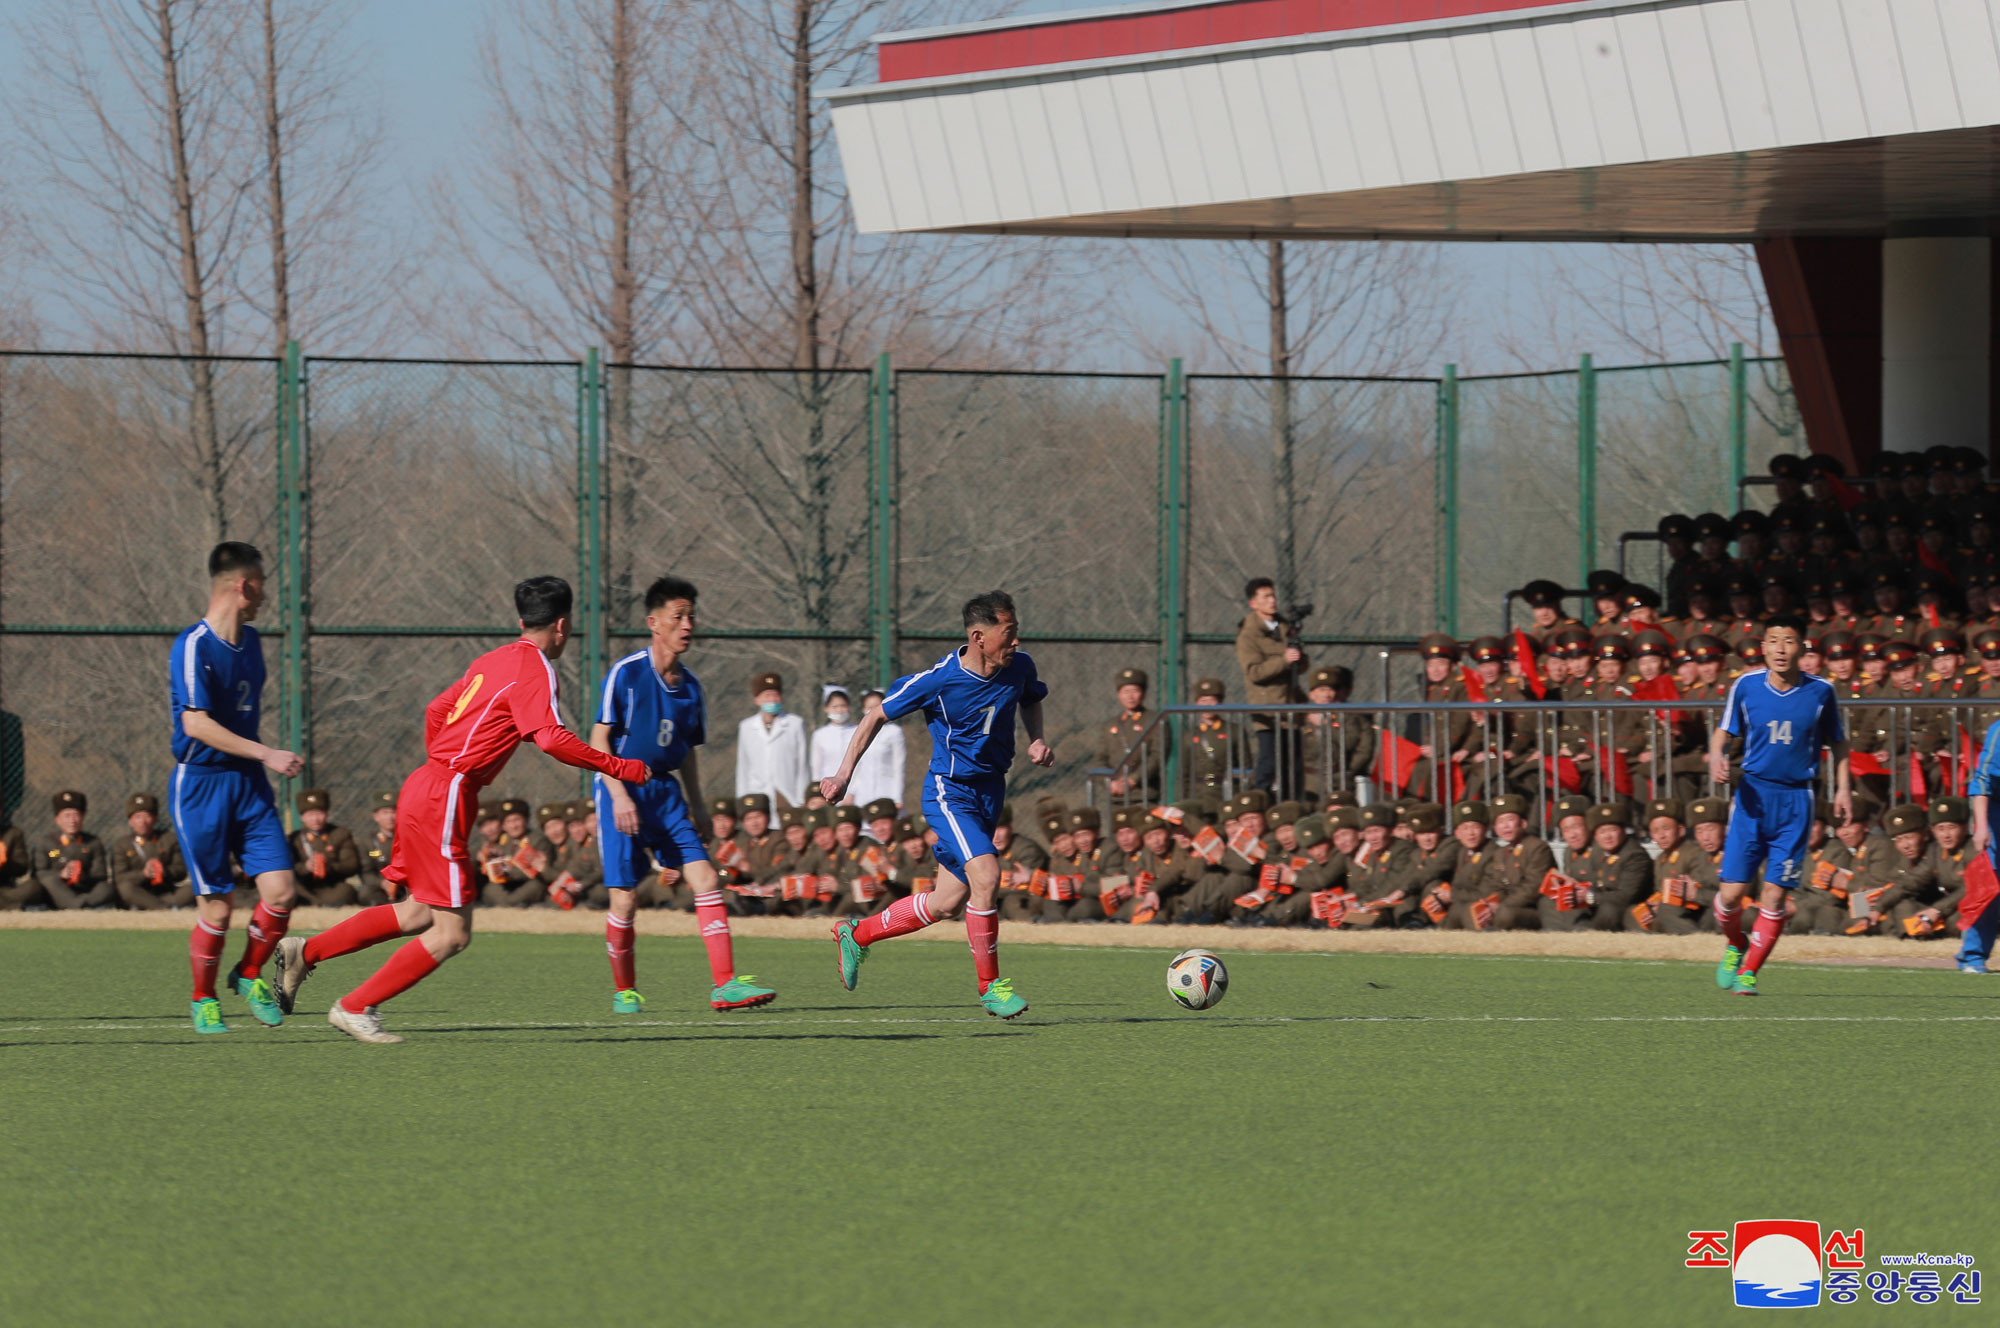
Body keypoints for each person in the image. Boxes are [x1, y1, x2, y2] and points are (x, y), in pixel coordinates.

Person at [273, 575, 656, 1044]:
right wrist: (618, 766)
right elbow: (551, 738)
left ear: (521, 621)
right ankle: (354, 1007)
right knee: (452, 934)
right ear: (562, 625)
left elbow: (437, 710)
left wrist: (446, 766)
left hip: (426, 782)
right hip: (446, 791)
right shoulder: (536, 668)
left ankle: (304, 953)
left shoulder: (492, 659)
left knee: (417, 914)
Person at [820, 590, 1054, 1020]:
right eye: (1010, 633)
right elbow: (874, 716)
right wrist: (842, 774)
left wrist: (1036, 737)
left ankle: (856, 933)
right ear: (980, 636)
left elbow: (1031, 697)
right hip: (950, 792)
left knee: (948, 901)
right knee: (986, 874)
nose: (1017, 642)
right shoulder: (939, 680)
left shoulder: (1018, 666)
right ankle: (991, 989)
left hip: (990, 792)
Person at [586, 577, 775, 1011]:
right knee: (626, 898)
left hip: (666, 793)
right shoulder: (627, 673)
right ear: (654, 623)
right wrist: (618, 796)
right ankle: (624, 990)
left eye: (691, 616)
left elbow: (686, 752)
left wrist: (700, 806)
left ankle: (724, 985)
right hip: (622, 785)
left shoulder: (691, 687)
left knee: (706, 877)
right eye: (678, 616)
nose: (688, 624)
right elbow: (598, 740)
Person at [171, 542, 304, 1033]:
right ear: (243, 585)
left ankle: (249, 974)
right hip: (201, 786)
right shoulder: (193, 645)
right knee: (219, 907)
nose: (266, 594)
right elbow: (195, 724)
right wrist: (268, 752)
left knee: (282, 891)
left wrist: (258, 760)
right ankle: (202, 998)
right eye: (262, 584)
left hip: (247, 784)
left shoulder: (252, 644)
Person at [1708, 615, 1852, 995]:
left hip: (1796, 800)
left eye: (1789, 641)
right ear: (1763, 647)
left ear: (1803, 648)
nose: (1781, 649)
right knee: (1731, 895)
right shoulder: (1746, 686)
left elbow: (1838, 742)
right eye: (1774, 641)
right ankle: (1736, 943)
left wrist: (1842, 789)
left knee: (1774, 894)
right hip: (1753, 795)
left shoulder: (1822, 692)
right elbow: (1723, 730)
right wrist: (1717, 756)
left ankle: (1750, 973)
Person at [1236, 577, 1306, 795]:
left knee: (1293, 769)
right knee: (1268, 766)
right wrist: (1284, 660)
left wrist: (1299, 657)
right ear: (1253, 603)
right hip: (1266, 712)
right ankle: (1257, 808)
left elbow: (1301, 667)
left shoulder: (1285, 629)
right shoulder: (1248, 635)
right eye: (1265, 597)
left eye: (1273, 595)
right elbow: (1254, 672)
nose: (1272, 601)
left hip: (1290, 709)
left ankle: (1290, 811)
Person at [735, 671, 810, 809]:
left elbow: (803, 765)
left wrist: (802, 797)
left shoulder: (795, 724)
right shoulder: (746, 727)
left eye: (775, 695)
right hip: (757, 797)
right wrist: (742, 798)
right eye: (767, 696)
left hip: (789, 796)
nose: (772, 700)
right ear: (756, 700)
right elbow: (743, 767)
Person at [110, 792, 188, 910]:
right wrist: (144, 874)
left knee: (193, 889)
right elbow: (119, 878)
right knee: (124, 889)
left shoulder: (169, 839)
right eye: (137, 817)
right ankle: (164, 908)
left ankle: (151, 905)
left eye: (147, 816)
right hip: (137, 891)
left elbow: (181, 871)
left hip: (164, 891)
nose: (143, 821)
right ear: (130, 821)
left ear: (156, 818)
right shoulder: (122, 844)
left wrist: (164, 871)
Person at [1096, 667, 1161, 804]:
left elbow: (1157, 756)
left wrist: (1133, 780)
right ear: (1119, 694)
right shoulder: (1110, 725)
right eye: (1125, 691)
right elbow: (1099, 759)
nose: (1130, 696)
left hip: (1144, 795)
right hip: (1116, 797)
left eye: (1135, 691)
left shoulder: (1154, 721)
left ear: (1143, 693)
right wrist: (1110, 782)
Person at [37, 790, 110, 909]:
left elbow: (100, 874)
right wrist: (61, 874)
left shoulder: (92, 842)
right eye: (67, 815)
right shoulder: (48, 843)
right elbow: (39, 872)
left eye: (76, 815)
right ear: (57, 819)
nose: (72, 820)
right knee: (48, 882)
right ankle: (78, 905)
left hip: (84, 889)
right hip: (58, 889)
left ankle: (77, 904)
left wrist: (83, 875)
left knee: (107, 888)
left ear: (83, 816)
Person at [290, 788, 362, 908]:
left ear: (327, 814)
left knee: (346, 891)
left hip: (331, 885)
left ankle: (315, 904)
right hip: (304, 886)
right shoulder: (294, 838)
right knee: (290, 888)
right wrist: (306, 867)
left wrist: (329, 866)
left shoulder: (340, 834)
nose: (315, 819)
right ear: (302, 817)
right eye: (310, 815)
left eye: (319, 813)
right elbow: (290, 867)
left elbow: (351, 864)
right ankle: (317, 903)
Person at [848, 687, 906, 810]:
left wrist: (898, 797)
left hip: (887, 791)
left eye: (877, 706)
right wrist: (851, 792)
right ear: (863, 709)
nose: (873, 711)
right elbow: (856, 766)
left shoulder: (894, 732)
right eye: (869, 707)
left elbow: (899, 766)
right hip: (862, 793)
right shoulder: (857, 731)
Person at [810, 686, 858, 796]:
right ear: (826, 708)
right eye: (835, 707)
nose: (839, 710)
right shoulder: (820, 735)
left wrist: (853, 791)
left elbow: (861, 764)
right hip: (827, 791)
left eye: (843, 706)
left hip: (855, 792)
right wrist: (819, 791)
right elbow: (817, 767)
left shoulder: (857, 731)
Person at [355, 791, 398, 906]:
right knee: (366, 894)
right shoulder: (367, 842)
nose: (390, 817)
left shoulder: (408, 839)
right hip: (379, 887)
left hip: (404, 886)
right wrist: (381, 883)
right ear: (376, 816)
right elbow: (365, 872)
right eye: (385, 812)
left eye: (394, 812)